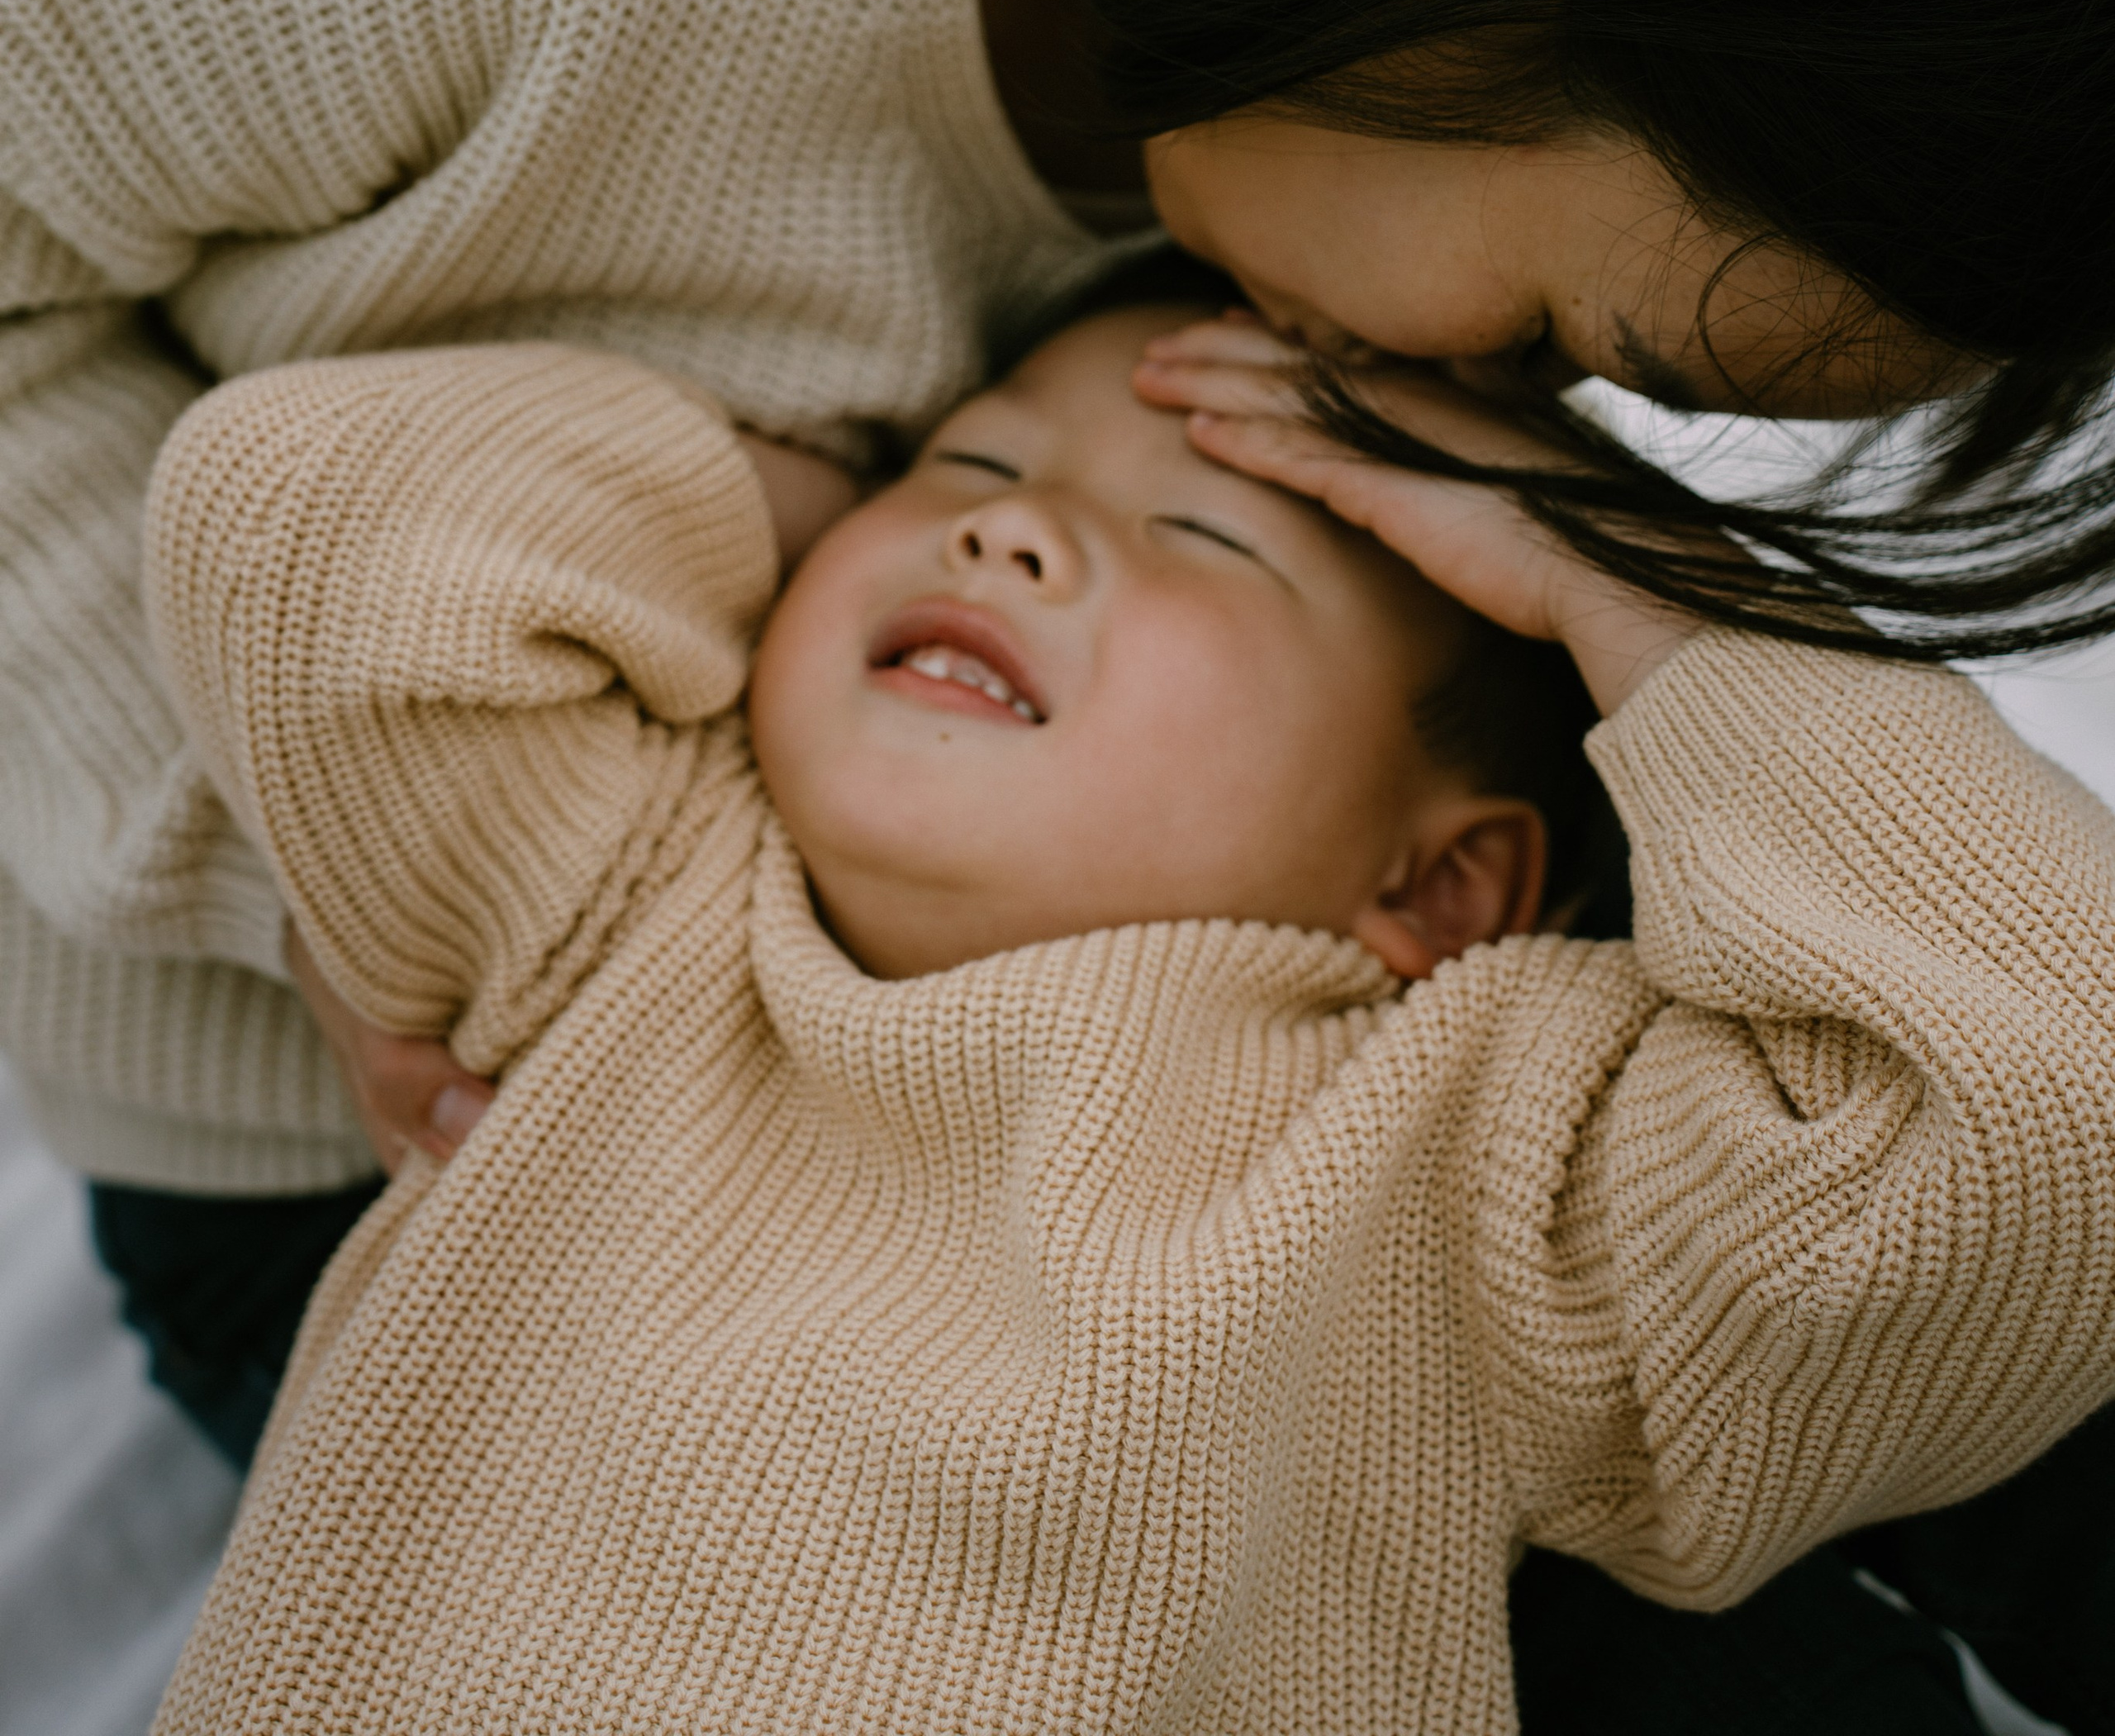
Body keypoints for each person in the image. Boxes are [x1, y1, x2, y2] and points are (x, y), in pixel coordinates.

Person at [5, 0, 2114, 1723]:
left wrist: (1640, 621)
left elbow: (2020, 1129)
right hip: (461, 1067)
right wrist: (353, 889)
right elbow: (332, 549)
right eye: (1561, 352)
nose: (1481, 415)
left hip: (1261, 892)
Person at [143, 277, 2115, 1735]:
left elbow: (2026, 1123)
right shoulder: (643, 891)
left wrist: (1634, 592)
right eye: (969, 460)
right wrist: (818, 497)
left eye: (1200, 537)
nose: (1003, 527)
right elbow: (297, 507)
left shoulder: (1456, 1161)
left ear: (1436, 882)